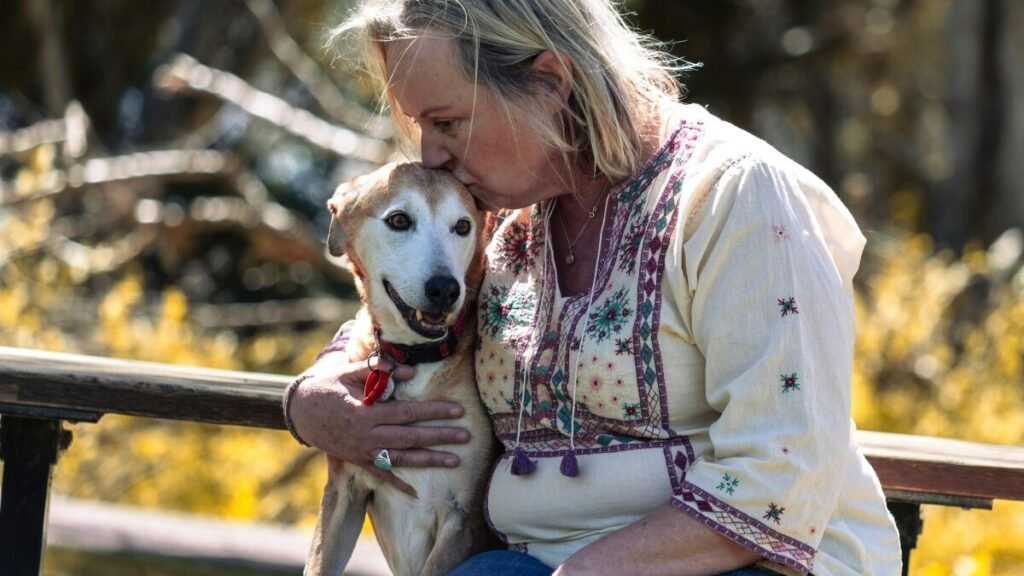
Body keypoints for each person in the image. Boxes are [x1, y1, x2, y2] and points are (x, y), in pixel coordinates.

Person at [283, 1, 903, 574]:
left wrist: (584, 572)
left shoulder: (737, 195)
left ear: (550, 81)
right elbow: (405, 304)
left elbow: (784, 470)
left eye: (445, 121)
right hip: (536, 562)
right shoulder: (503, 211)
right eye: (419, 125)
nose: (431, 154)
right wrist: (312, 399)